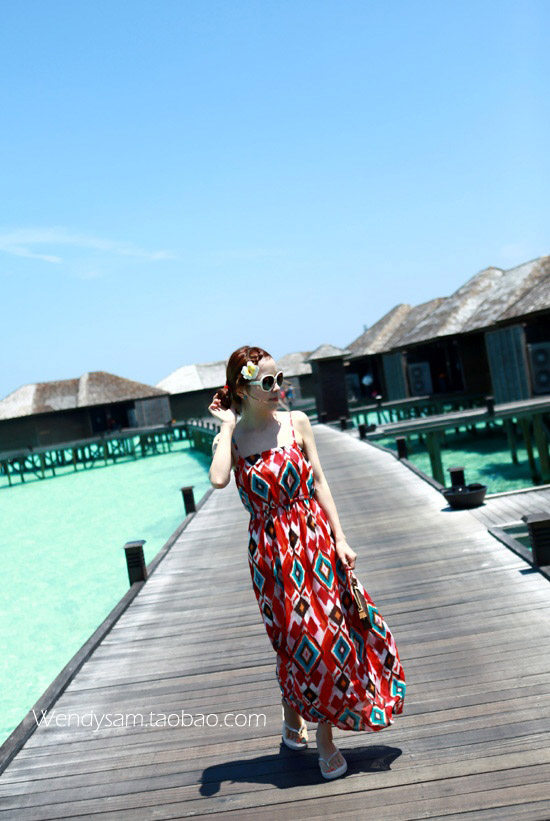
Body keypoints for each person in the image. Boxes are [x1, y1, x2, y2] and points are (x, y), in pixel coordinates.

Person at [208, 345, 406, 781]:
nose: (278, 388)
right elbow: (219, 478)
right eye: (267, 382)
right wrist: (225, 426)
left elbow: (318, 481)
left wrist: (341, 538)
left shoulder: (296, 422)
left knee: (326, 637)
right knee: (293, 642)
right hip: (271, 558)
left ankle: (325, 737)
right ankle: (292, 714)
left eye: (280, 379)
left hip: (314, 544)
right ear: (242, 389)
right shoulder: (234, 439)